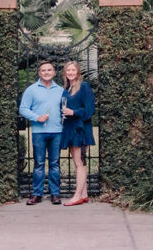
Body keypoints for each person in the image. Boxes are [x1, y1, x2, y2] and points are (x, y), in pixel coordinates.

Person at [18, 60, 64, 205]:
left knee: (55, 164)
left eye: (49, 70)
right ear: (39, 73)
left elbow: (65, 108)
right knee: (38, 164)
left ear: (54, 72)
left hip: (57, 131)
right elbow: (23, 109)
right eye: (43, 70)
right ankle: (37, 194)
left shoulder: (61, 90)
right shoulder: (31, 90)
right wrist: (37, 117)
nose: (46, 72)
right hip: (39, 132)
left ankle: (55, 194)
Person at [60, 60, 95, 206]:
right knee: (76, 162)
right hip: (69, 128)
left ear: (78, 72)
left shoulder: (84, 86)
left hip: (80, 129)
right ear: (65, 73)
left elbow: (90, 110)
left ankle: (77, 196)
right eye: (68, 70)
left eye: (73, 70)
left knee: (80, 163)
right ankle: (84, 194)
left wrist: (73, 112)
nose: (70, 73)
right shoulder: (67, 89)